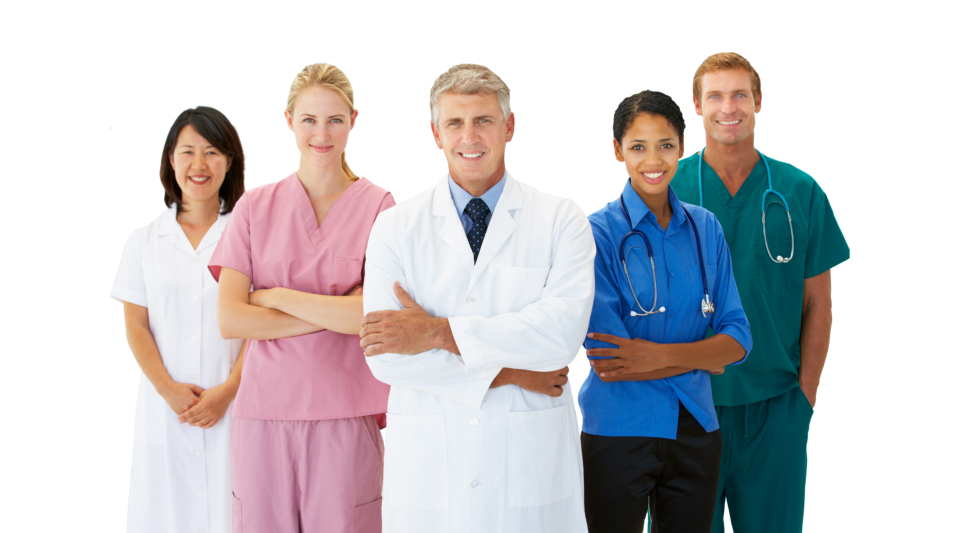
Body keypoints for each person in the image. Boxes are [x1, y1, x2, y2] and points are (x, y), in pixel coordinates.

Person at [360, 64, 595, 533]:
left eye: (484, 120)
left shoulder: (561, 219)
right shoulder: (395, 227)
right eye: (455, 123)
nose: (470, 136)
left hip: (530, 465)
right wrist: (512, 372)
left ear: (509, 126)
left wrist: (434, 332)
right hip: (432, 470)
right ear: (435, 133)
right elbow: (386, 358)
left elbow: (559, 338)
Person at [209, 63, 394, 533]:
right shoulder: (255, 207)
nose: (322, 133)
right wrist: (335, 311)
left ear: (353, 120)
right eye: (309, 119)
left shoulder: (379, 207)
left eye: (334, 120)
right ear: (289, 120)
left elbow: (371, 317)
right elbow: (231, 318)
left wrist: (273, 296)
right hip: (262, 417)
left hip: (345, 417)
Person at [670, 52, 850, 533]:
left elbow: (819, 304)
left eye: (739, 95)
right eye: (715, 96)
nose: (728, 107)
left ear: (758, 102)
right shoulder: (668, 187)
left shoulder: (798, 190)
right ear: (697, 105)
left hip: (775, 411)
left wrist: (803, 400)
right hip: (687, 408)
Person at [580, 90, 752, 533]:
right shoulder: (595, 235)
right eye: (637, 146)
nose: (652, 159)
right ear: (617, 150)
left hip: (696, 430)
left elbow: (737, 338)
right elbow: (611, 360)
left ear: (681, 147)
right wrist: (701, 355)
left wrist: (654, 356)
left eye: (665, 145)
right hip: (619, 430)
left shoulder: (705, 228)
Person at [111, 106, 247, 533]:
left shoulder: (248, 235)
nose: (199, 165)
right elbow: (136, 326)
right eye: (188, 152)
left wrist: (228, 391)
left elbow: (259, 328)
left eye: (212, 152)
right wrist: (168, 389)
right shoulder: (144, 242)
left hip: (234, 407)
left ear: (230, 162)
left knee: (233, 512)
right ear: (171, 159)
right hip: (164, 412)